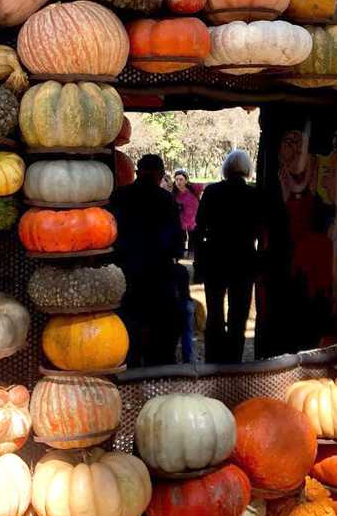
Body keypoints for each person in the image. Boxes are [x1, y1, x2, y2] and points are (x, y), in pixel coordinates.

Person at [110, 154, 185, 366]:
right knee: (161, 338)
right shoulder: (166, 200)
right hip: (159, 277)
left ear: (137, 172)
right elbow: (177, 244)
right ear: (161, 174)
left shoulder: (119, 196)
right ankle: (158, 376)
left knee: (128, 332)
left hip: (126, 275)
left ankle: (130, 372)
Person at [193, 149, 264, 364]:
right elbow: (261, 229)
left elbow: (200, 226)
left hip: (215, 257)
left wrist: (199, 259)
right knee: (238, 315)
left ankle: (213, 360)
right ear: (246, 169)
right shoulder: (254, 195)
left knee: (214, 312)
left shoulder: (212, 192)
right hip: (244, 259)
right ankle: (234, 361)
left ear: (226, 169)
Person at [173, 169, 200, 254]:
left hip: (194, 222)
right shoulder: (173, 193)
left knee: (193, 246)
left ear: (186, 180)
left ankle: (191, 255)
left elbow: (207, 186)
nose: (178, 182)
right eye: (176, 179)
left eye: (181, 179)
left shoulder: (193, 188)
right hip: (181, 224)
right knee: (181, 245)